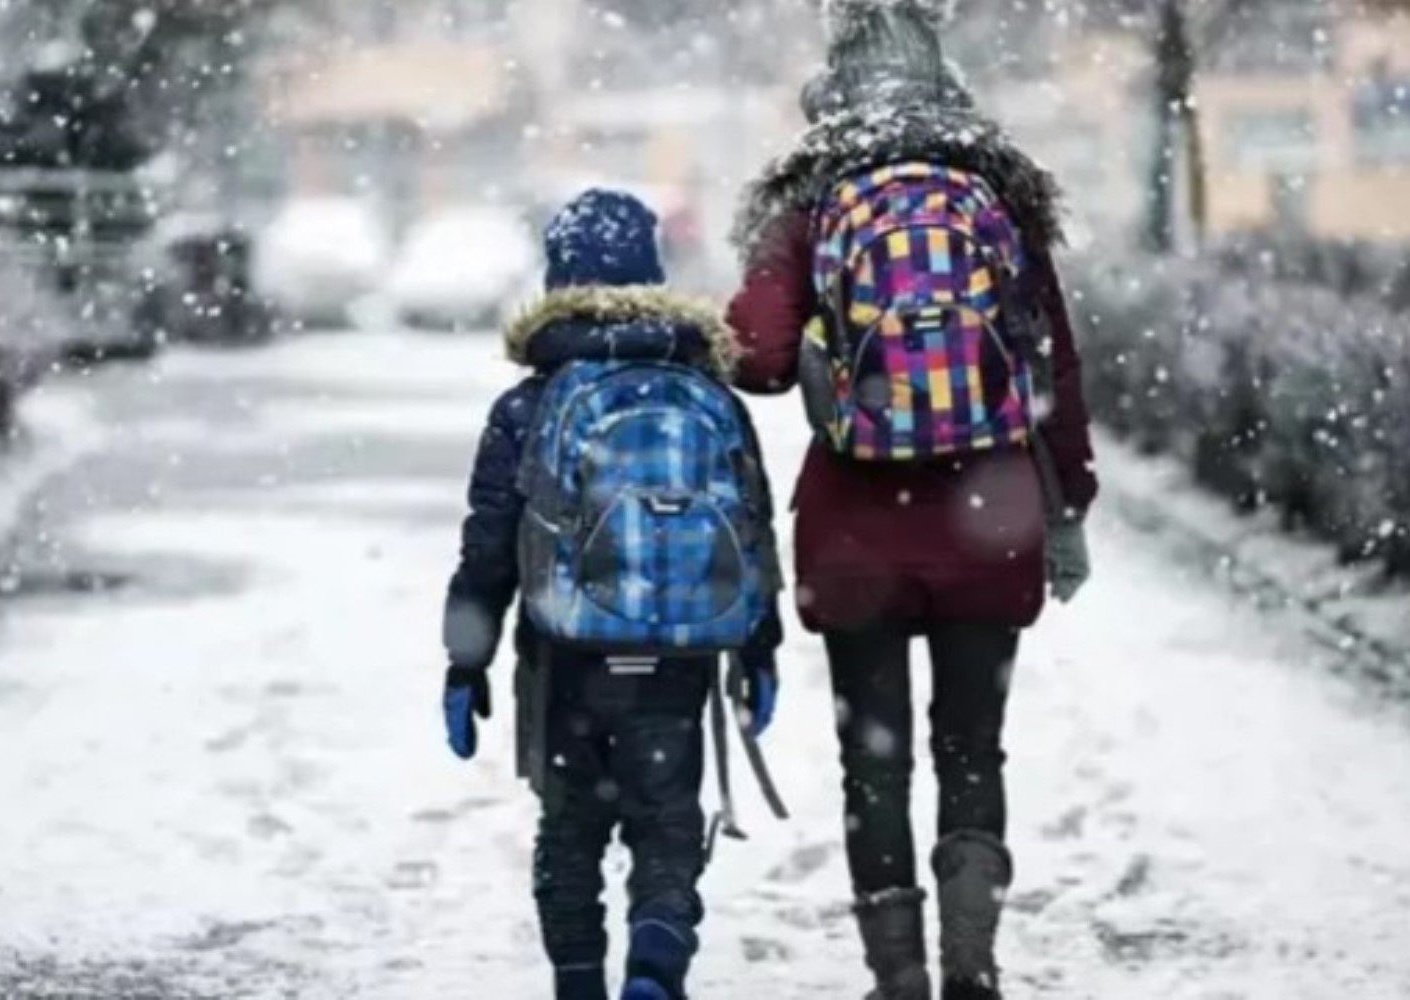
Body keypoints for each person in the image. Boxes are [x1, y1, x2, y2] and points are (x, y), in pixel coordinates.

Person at [725, 2, 1098, 999]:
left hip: (856, 532)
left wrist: (814, 353)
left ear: (832, 85)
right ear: (943, 82)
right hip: (991, 515)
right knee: (971, 744)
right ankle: (969, 964)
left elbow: (756, 358)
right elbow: (1052, 365)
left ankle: (895, 977)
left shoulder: (809, 201)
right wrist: (1069, 507)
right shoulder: (994, 197)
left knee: (872, 761)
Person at [442, 189, 784, 1000]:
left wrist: (466, 664)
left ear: (558, 278)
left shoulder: (530, 403)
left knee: (570, 833)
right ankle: (657, 968)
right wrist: (761, 650)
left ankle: (581, 984)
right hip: (680, 652)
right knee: (667, 825)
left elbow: (487, 547)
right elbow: (754, 530)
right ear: (653, 275)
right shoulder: (707, 392)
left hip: (567, 656)